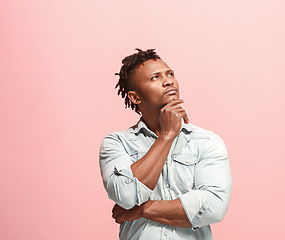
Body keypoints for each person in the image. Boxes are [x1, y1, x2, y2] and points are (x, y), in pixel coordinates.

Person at [99, 48, 232, 240]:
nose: (169, 81)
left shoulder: (206, 142)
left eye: (170, 74)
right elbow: (127, 196)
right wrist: (166, 136)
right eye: (155, 77)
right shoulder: (117, 143)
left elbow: (213, 207)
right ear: (135, 97)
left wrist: (142, 210)